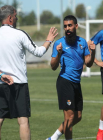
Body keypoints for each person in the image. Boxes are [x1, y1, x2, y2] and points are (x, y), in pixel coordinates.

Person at [0, 5, 58, 140]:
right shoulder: (19, 34)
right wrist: (49, 40)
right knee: (23, 120)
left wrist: (2, 75)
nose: (16, 18)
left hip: (1, 82)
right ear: (10, 18)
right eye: (15, 16)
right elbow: (38, 52)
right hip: (18, 83)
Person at [46, 15, 95, 140]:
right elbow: (52, 66)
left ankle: (53, 137)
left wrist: (93, 52)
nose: (67, 28)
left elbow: (88, 63)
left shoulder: (82, 42)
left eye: (70, 25)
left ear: (76, 26)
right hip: (64, 81)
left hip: (76, 83)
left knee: (78, 117)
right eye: (65, 26)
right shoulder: (59, 43)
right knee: (69, 117)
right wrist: (58, 54)